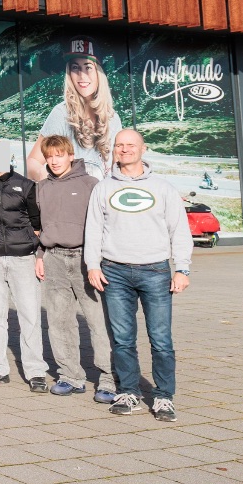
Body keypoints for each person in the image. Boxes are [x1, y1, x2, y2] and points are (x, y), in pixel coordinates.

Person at [86, 129, 192, 421]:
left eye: (130, 145)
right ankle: (128, 392)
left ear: (143, 149)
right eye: (119, 145)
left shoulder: (163, 188)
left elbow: (179, 230)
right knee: (122, 339)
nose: (125, 149)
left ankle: (164, 397)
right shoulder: (103, 188)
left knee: (161, 339)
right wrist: (92, 264)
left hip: (155, 271)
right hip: (114, 272)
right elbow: (93, 229)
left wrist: (182, 268)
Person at [33, 134, 116, 400]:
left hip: (86, 260)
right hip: (54, 259)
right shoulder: (41, 188)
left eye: (59, 155)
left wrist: (99, 262)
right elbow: (39, 227)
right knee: (59, 322)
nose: (54, 161)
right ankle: (70, 376)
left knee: (98, 322)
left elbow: (105, 224)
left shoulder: (91, 184)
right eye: (49, 157)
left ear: (71, 156)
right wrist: (40, 255)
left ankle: (108, 379)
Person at [0, 163, 46, 390]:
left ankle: (35, 372)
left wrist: (30, 248)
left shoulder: (26, 185)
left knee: (29, 316)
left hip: (22, 258)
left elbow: (37, 222)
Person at [38, 36, 122, 175]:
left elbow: (116, 168)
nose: (82, 75)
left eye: (88, 67)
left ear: (99, 72)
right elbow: (33, 163)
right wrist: (54, 185)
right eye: (75, 67)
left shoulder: (113, 119)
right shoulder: (61, 114)